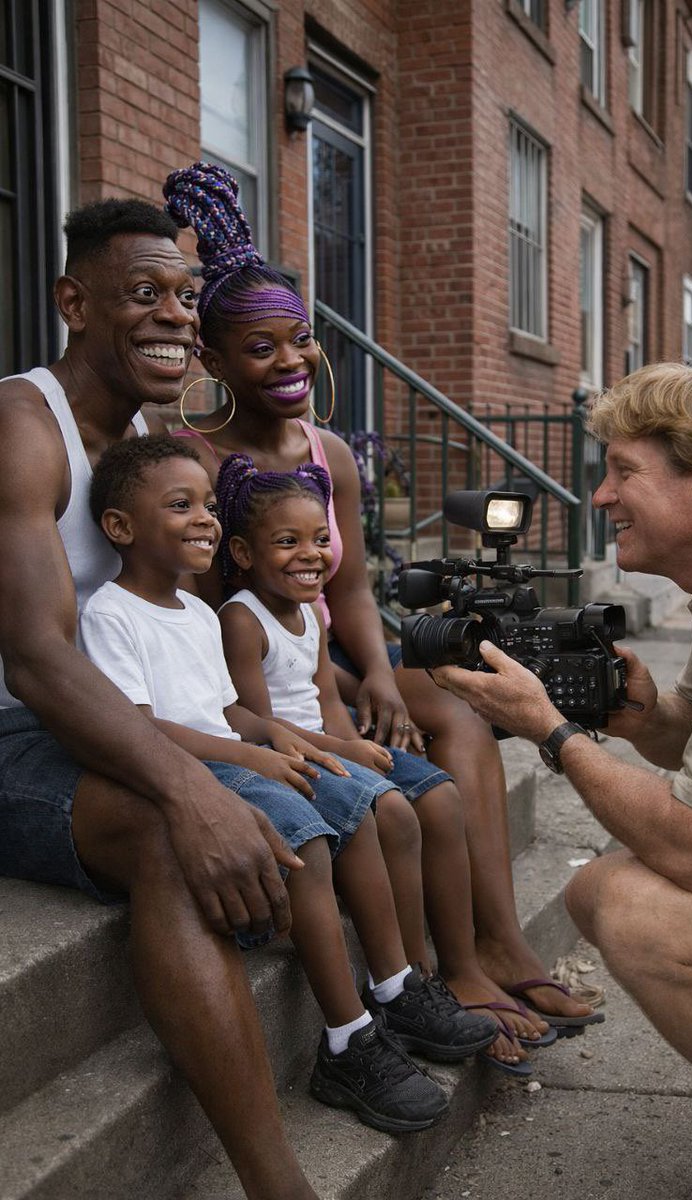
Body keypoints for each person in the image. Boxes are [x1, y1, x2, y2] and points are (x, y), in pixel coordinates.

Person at [161, 161, 597, 1053]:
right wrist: (319, 706)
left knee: (455, 706)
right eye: (260, 348)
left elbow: (351, 585)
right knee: (408, 742)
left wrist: (381, 682)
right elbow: (206, 617)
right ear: (211, 361)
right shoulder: (189, 459)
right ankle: (444, 971)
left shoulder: (331, 455)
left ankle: (495, 946)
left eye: (302, 340)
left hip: (327, 654)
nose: (290, 362)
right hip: (256, 672)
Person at [0, 197, 317, 1200]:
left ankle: (369, 1019)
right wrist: (190, 788)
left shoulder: (140, 431)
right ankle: (280, 1187)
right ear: (74, 302)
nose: (175, 316)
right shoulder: (22, 427)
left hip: (104, 714)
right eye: (143, 294)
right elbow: (39, 664)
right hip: (15, 731)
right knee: (171, 833)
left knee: (319, 780)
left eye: (184, 296)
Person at [432, 361, 692, 1199]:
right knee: (607, 893)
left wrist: (552, 731)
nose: (599, 497)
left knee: (627, 903)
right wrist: (639, 718)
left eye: (623, 471)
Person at [81, 432, 499, 1130]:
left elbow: (230, 708)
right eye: (182, 505)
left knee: (366, 810)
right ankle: (346, 1038)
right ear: (120, 527)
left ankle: (396, 985)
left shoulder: (193, 611)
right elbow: (142, 728)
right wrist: (256, 754)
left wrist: (277, 735)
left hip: (235, 751)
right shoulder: (110, 614)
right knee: (307, 835)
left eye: (209, 504)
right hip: (190, 771)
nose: (206, 519)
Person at [213, 452, 547, 1073]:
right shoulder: (241, 621)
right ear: (242, 553)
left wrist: (369, 746)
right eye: (286, 542)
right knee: (392, 812)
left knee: (439, 797)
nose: (309, 554)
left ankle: (459, 969)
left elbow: (322, 697)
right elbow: (258, 725)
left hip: (327, 742)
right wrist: (349, 758)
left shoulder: (312, 612)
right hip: (286, 756)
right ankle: (406, 980)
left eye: (318, 539)